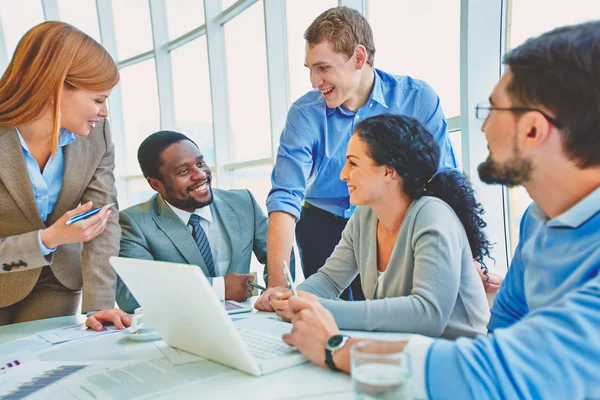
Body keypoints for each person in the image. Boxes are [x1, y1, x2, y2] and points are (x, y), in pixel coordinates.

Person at [281, 20, 600, 399]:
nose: (482, 127)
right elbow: (500, 331)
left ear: (532, 130)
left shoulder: (432, 215)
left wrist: (337, 348)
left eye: (492, 108)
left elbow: (492, 370)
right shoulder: (537, 220)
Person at [258, 6, 498, 307]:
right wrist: (278, 287)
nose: (314, 81)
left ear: (359, 57)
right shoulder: (304, 115)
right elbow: (285, 198)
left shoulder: (417, 98)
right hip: (322, 224)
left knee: (393, 309)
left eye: (323, 68)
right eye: (309, 69)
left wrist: (468, 257)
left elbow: (445, 180)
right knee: (323, 310)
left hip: (395, 222)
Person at [271, 114, 491, 338]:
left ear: (389, 170)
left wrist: (320, 309)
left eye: (353, 163)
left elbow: (428, 315)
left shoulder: (433, 215)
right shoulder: (365, 216)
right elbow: (329, 280)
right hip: (403, 352)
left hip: (460, 357)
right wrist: (293, 299)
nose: (343, 174)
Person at [96, 131, 293, 323]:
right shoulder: (134, 223)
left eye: (200, 164)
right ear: (156, 184)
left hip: (247, 326)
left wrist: (274, 294)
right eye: (183, 171)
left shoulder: (243, 203)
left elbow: (279, 254)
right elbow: (132, 296)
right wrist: (217, 288)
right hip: (181, 334)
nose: (200, 175)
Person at [0, 21, 121, 326]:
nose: (104, 112)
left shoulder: (98, 135)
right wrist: (49, 238)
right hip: (4, 268)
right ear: (55, 85)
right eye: (98, 100)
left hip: (57, 279)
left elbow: (103, 221)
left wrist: (101, 304)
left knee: (45, 365)